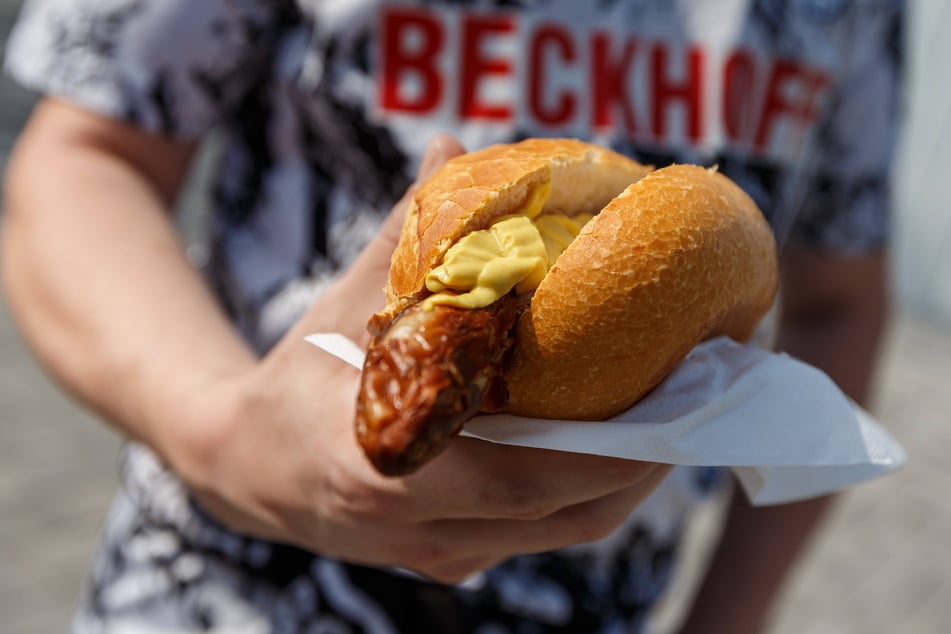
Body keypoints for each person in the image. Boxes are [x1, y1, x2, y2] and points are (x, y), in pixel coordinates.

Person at [2, 0, 903, 632]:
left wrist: (726, 624)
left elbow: (834, 304)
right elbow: (82, 159)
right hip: (212, 594)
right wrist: (223, 436)